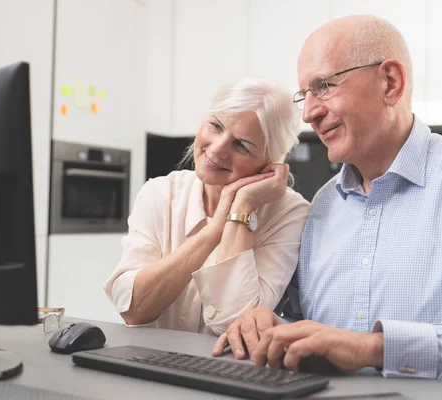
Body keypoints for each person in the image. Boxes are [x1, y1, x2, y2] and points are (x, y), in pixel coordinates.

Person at [214, 15, 442, 379]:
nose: (309, 113)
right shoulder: (325, 204)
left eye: (324, 86)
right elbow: (310, 326)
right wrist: (271, 324)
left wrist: (372, 348)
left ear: (390, 82)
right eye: (305, 95)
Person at [104, 77, 310, 335]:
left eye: (241, 145)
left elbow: (234, 324)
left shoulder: (290, 214)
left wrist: (242, 208)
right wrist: (213, 232)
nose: (218, 148)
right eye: (215, 126)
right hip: (149, 364)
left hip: (232, 370)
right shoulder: (160, 193)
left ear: (270, 164)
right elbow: (132, 309)